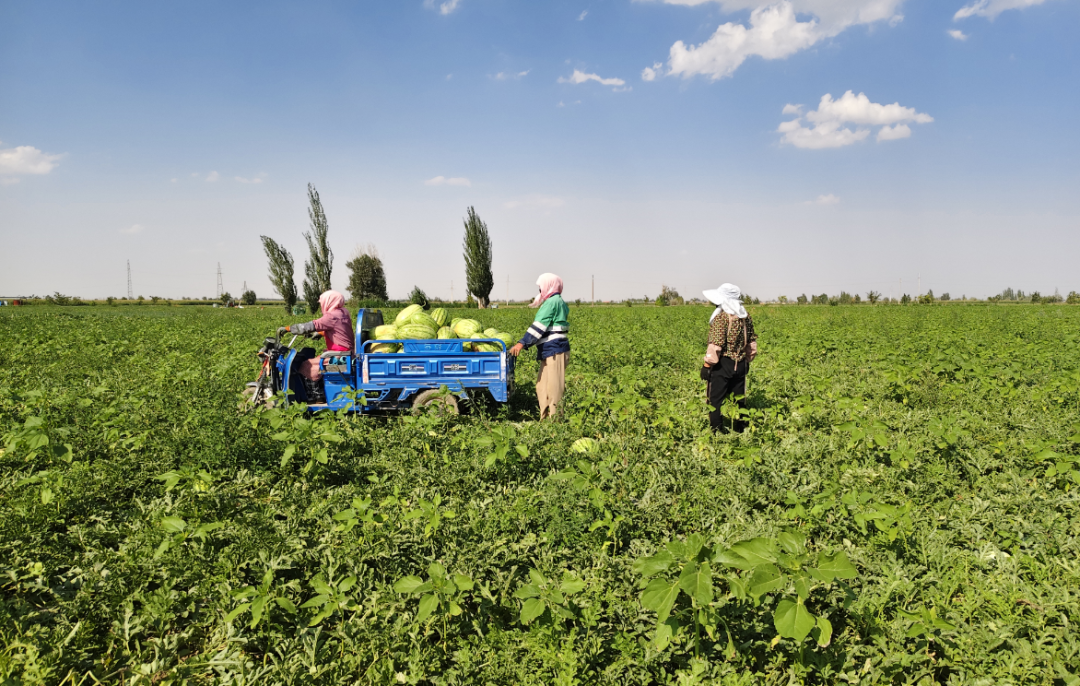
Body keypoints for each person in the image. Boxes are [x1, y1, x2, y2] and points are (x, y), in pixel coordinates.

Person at [509, 273, 570, 419]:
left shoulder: (552, 302)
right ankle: (545, 419)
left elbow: (539, 326)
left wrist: (521, 343)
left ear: (549, 286)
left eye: (541, 287)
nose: (540, 290)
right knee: (542, 386)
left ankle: (555, 422)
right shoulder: (555, 301)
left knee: (554, 389)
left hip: (556, 350)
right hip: (549, 350)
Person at [701, 283, 757, 433]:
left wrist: (707, 365)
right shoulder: (745, 317)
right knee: (739, 399)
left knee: (715, 400)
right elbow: (751, 343)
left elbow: (716, 346)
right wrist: (747, 360)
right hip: (740, 364)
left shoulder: (722, 318)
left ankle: (716, 431)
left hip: (722, 364)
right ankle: (741, 429)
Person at [285, 290, 355, 402]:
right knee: (317, 360)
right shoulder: (343, 312)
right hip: (347, 353)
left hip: (339, 357)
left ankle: (316, 396)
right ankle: (321, 391)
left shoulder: (331, 316)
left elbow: (311, 325)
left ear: (328, 301)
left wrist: (288, 329)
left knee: (307, 365)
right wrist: (321, 333)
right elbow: (339, 329)